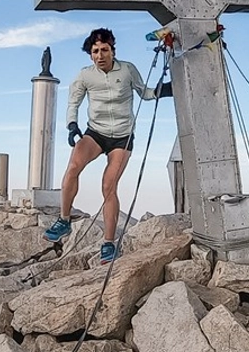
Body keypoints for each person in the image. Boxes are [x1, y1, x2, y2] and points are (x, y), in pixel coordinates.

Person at [43, 28, 171, 264]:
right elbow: (73, 103)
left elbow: (145, 93)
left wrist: (167, 90)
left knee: (108, 185)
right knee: (73, 167)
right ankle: (64, 220)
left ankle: (109, 244)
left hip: (122, 137)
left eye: (104, 50)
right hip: (96, 133)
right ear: (90, 54)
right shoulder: (85, 76)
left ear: (112, 51)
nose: (100, 55)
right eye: (95, 51)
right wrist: (72, 126)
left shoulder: (128, 69)